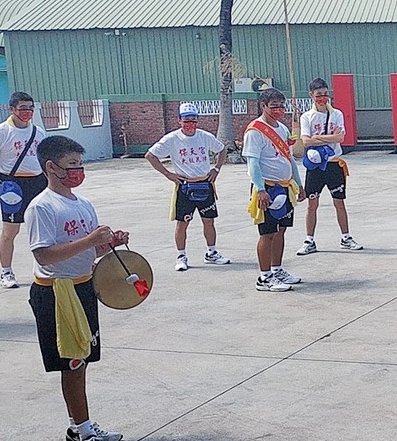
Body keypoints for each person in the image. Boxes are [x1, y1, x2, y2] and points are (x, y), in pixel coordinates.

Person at [24, 134, 130, 441]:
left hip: (84, 287)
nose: (77, 171)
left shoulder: (83, 204)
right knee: (72, 363)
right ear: (51, 167)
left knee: (82, 360)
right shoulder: (42, 207)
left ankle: (77, 427)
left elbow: (88, 251)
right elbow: (44, 255)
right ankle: (85, 433)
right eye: (71, 165)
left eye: (80, 164)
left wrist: (108, 243)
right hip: (57, 293)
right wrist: (89, 241)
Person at [144, 102, 230, 272]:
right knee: (182, 222)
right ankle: (181, 255)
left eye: (194, 121)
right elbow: (150, 155)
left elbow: (222, 149)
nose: (191, 125)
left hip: (205, 184)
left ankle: (212, 252)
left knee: (209, 221)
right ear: (179, 121)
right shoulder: (172, 139)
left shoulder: (204, 136)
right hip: (185, 186)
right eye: (187, 121)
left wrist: (216, 169)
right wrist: (168, 174)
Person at [0, 90, 47, 289]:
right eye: (22, 108)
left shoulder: (38, 132)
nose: (27, 112)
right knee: (10, 231)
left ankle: (45, 267)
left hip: (38, 182)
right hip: (13, 185)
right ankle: (6, 272)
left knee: (42, 228)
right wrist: (4, 177)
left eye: (30, 108)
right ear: (12, 109)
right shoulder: (0, 133)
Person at [243, 88, 306, 292]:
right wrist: (260, 190)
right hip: (267, 188)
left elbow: (290, 159)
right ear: (263, 106)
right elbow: (253, 163)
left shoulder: (282, 129)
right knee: (267, 233)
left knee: (281, 230)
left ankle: (277, 269)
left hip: (285, 187)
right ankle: (264, 277)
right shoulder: (255, 131)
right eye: (274, 106)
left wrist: (299, 184)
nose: (278, 110)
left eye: (281, 106)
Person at [296, 78, 364, 256]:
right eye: (319, 95)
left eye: (325, 94)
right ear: (311, 95)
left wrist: (318, 138)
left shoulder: (336, 114)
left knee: (339, 202)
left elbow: (340, 138)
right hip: (315, 166)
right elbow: (306, 141)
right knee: (312, 203)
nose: (323, 98)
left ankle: (346, 237)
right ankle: (309, 240)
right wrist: (329, 138)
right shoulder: (307, 117)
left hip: (334, 164)